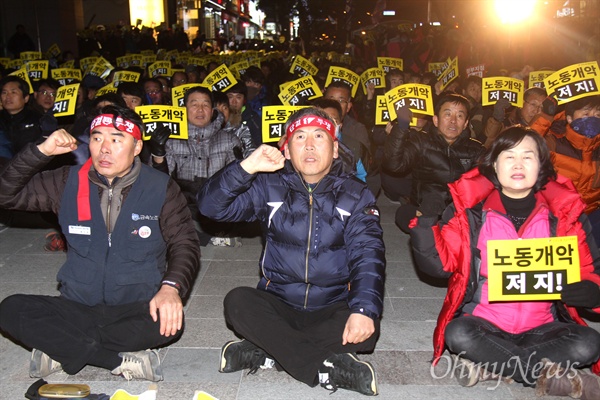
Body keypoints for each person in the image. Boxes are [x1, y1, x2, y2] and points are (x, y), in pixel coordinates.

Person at [0, 104, 200, 382]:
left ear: (137, 146)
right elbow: (6, 194)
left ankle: (60, 348)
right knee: (10, 309)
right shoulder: (66, 181)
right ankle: (113, 359)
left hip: (136, 306)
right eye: (97, 138)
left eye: (117, 140)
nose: (104, 149)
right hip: (78, 305)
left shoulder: (160, 186)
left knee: (169, 325)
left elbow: (185, 242)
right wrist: (41, 151)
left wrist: (171, 288)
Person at [198, 107, 385, 396]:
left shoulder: (356, 193)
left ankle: (268, 348)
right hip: (280, 303)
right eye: (299, 137)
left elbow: (368, 254)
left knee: (365, 329)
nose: (309, 145)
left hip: (333, 304)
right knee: (238, 302)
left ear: (335, 149)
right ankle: (322, 367)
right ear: (286, 150)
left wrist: (362, 310)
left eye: (319, 136)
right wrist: (247, 166)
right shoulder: (269, 186)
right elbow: (210, 206)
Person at [409, 126, 600, 398]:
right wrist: (425, 223)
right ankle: (554, 378)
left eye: (528, 156)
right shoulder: (473, 214)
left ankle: (493, 365)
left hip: (543, 326)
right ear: (494, 165)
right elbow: (439, 265)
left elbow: (591, 270)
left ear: (541, 166)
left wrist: (592, 291)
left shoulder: (564, 217)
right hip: (485, 323)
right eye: (509, 156)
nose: (518, 164)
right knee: (458, 334)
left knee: (589, 343)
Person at [151, 86, 243, 246]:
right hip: (183, 208)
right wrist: (158, 153)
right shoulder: (171, 140)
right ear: (184, 109)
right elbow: (156, 184)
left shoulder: (229, 140)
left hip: (217, 208)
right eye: (194, 104)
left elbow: (239, 182)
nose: (200, 110)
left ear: (213, 110)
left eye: (205, 105)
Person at [383, 92, 485, 232]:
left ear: (466, 123)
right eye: (448, 114)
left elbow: (481, 186)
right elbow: (394, 164)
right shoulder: (421, 141)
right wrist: (401, 128)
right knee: (406, 214)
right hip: (426, 205)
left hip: (459, 208)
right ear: (436, 120)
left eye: (460, 116)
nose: (453, 121)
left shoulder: (475, 149)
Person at [531, 95, 600, 247]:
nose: (593, 119)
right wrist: (545, 117)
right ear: (569, 118)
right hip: (554, 216)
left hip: (590, 218)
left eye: (597, 114)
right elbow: (527, 144)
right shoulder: (554, 142)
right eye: (586, 114)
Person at [213, 90, 255, 158]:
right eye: (217, 109)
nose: (222, 113)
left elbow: (250, 150)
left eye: (225, 108)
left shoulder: (240, 130)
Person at [225, 83, 262, 147]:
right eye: (230, 97)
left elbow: (258, 144)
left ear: (244, 99)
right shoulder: (218, 118)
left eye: (238, 97)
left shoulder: (253, 118)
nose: (234, 102)